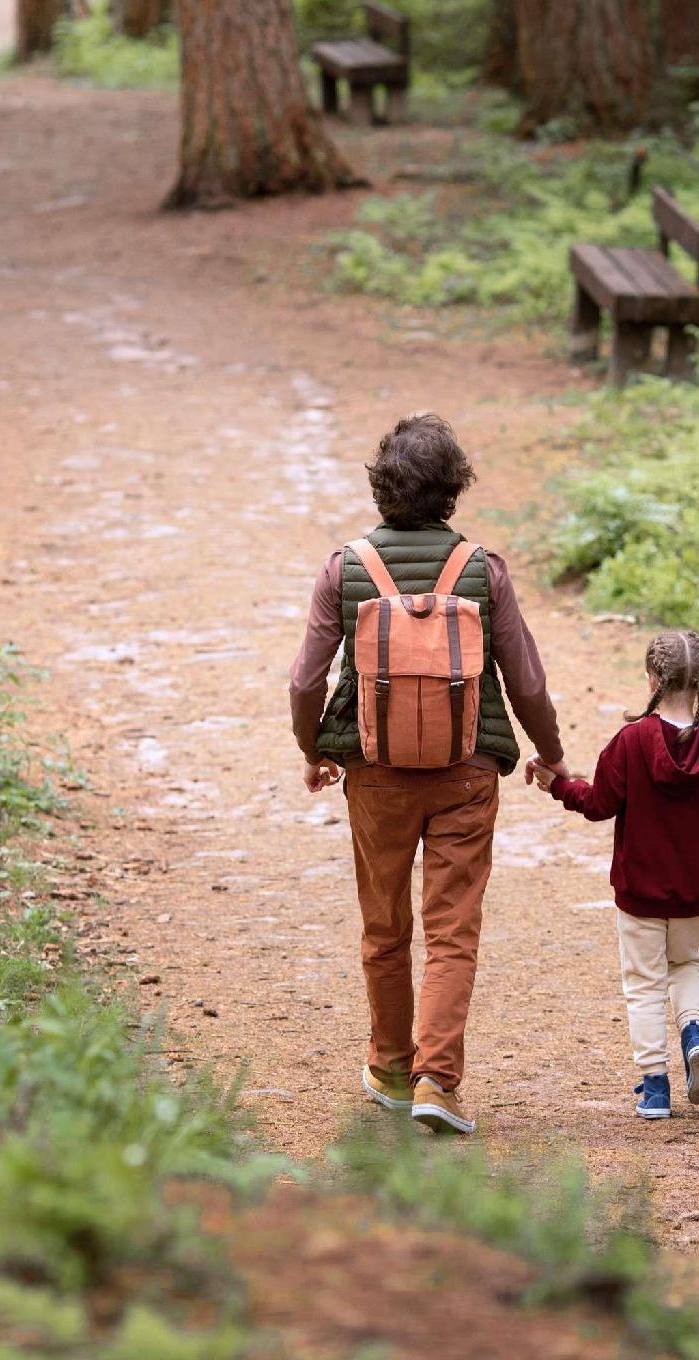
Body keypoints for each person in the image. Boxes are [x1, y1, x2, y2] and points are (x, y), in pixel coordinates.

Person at [288, 414, 565, 1136]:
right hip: (466, 770)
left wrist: (312, 748)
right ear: (452, 490)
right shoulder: (482, 569)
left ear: (382, 486)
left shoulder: (343, 569)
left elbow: (304, 680)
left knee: (385, 926)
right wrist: (551, 751)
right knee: (452, 929)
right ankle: (437, 1079)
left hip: (373, 772)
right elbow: (527, 678)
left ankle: (387, 1065)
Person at [527, 631, 699, 1120]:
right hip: (694, 893)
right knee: (685, 966)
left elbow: (597, 805)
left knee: (642, 982)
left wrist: (560, 785)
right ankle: (694, 1034)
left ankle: (656, 1087)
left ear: (652, 678)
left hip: (639, 892)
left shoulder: (631, 742)